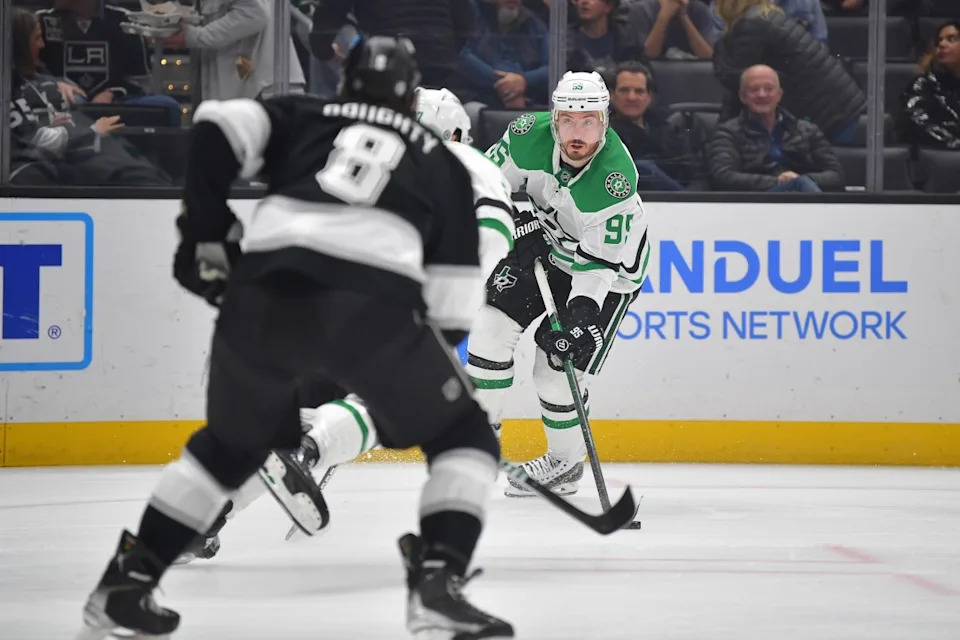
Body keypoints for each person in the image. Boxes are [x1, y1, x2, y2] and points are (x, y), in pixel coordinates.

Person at [75, 36, 512, 640]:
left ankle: (125, 586)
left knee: (228, 449)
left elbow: (214, 126)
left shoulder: (304, 114)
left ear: (345, 84)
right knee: (465, 440)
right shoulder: (441, 162)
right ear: (410, 100)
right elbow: (454, 301)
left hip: (261, 297)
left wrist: (205, 232)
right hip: (372, 309)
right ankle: (438, 584)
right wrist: (416, 380)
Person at [172, 85, 518, 560]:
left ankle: (205, 516)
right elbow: (491, 235)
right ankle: (313, 449)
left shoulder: (355, 147)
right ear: (457, 130)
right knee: (374, 405)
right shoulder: (466, 161)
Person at [469, 71, 649, 497]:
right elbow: (483, 182)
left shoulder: (614, 182)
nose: (577, 133)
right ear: (553, 118)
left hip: (607, 275)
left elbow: (596, 268)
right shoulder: (527, 134)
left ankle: (566, 464)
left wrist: (583, 314)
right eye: (568, 120)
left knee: (554, 371)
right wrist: (515, 217)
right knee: (489, 330)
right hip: (546, 248)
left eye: (588, 121)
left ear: (605, 122)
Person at [708, 65, 844, 192]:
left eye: (769, 88)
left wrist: (801, 179)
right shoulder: (727, 132)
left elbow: (836, 175)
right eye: (754, 89)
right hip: (756, 203)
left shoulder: (808, 130)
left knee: (802, 184)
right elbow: (723, 176)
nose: (762, 95)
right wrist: (778, 181)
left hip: (803, 195)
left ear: (779, 95)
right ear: (743, 97)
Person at [898, 20, 960, 150]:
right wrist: (954, 142)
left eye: (951, 39)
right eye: (938, 42)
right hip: (942, 159)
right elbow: (915, 121)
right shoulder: (923, 85)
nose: (942, 44)